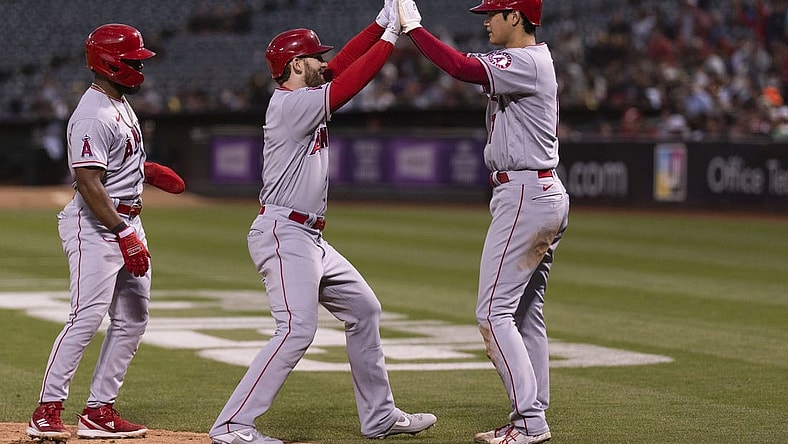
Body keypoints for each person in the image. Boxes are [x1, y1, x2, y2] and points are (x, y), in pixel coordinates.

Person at [208, 2, 436, 444]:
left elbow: (343, 63)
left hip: (307, 237)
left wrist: (380, 22)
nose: (323, 64)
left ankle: (380, 417)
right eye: (315, 58)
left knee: (364, 310)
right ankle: (232, 425)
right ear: (296, 64)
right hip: (283, 232)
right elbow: (351, 79)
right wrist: (393, 37)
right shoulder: (292, 104)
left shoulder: (304, 94)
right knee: (296, 329)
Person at [397, 1, 569, 443]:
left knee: (493, 313)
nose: (486, 21)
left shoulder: (526, 60)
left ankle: (530, 421)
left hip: (526, 193)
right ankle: (532, 411)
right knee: (526, 312)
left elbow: (457, 66)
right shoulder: (530, 60)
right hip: (540, 190)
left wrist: (414, 28)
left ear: (517, 17)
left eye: (493, 13)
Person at [26, 23, 185, 442]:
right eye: (133, 60)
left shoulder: (118, 102)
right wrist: (121, 232)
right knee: (86, 317)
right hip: (96, 225)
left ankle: (99, 409)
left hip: (125, 221)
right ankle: (46, 410)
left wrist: (144, 172)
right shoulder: (92, 113)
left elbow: (111, 164)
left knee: (132, 318)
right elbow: (87, 181)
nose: (139, 66)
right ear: (110, 62)